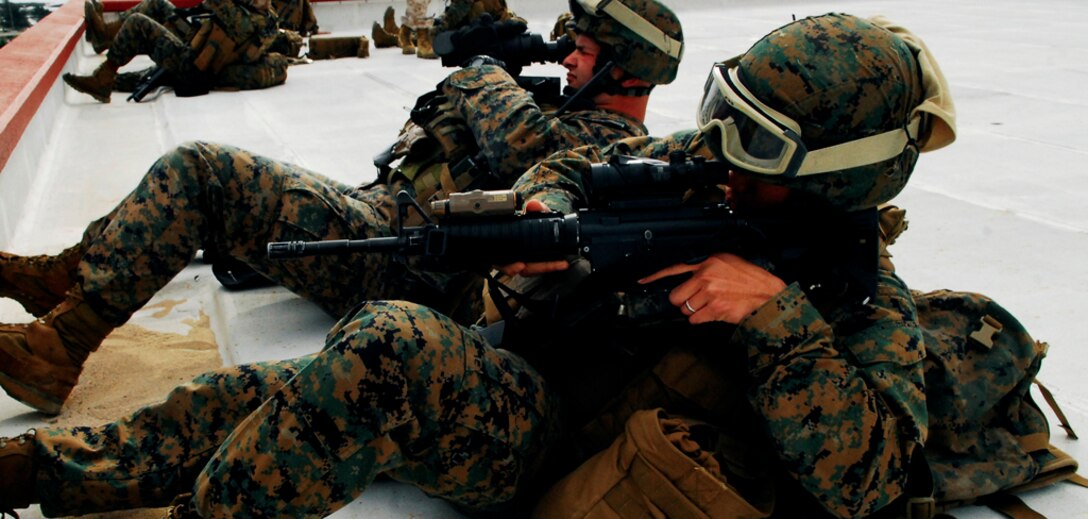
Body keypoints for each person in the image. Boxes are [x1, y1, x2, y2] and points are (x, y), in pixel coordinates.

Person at [0, 12, 955, 518]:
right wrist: (560, 209)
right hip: (523, 365)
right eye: (724, 109)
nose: (716, 145)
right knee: (268, 393)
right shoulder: (707, 177)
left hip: (570, 447)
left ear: (837, 173)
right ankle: (37, 468)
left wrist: (775, 316)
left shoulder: (856, 297)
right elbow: (589, 162)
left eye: (754, 138)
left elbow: (865, 480)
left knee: (387, 348)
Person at [0, 0, 684, 416]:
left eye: (584, 51)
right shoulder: (564, 103)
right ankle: (67, 277)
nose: (567, 59)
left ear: (626, 70)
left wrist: (483, 72)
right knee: (216, 187)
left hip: (404, 266)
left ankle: (60, 349)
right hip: (380, 219)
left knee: (205, 171)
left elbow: (521, 148)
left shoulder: (617, 146)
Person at [63, 0, 282, 103]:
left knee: (138, 23)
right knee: (158, 5)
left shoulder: (251, 20)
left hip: (194, 70)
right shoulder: (258, 15)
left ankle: (103, 80)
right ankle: (105, 36)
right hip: (195, 49)